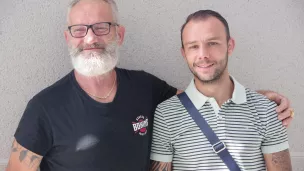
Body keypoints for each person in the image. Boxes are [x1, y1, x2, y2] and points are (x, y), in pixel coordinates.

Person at [6, 1, 293, 171]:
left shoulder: (145, 87)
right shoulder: (44, 108)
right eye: (79, 29)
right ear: (68, 38)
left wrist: (257, 99)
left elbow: (197, 100)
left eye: (102, 27)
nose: (90, 38)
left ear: (120, 34)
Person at [150, 10, 293, 171]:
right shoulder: (166, 114)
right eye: (193, 46)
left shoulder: (266, 109)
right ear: (184, 53)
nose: (203, 54)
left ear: (229, 46)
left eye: (212, 43)